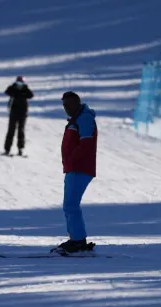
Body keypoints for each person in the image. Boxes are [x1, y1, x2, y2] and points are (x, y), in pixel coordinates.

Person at [52, 91, 98, 255]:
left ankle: (78, 241)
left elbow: (86, 143)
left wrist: (72, 159)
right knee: (70, 205)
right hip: (74, 167)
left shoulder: (84, 118)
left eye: (69, 104)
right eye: (64, 105)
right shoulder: (77, 118)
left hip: (80, 168)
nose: (66, 108)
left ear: (77, 103)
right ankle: (76, 239)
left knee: (71, 205)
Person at [4, 76, 34, 156]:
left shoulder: (25, 89)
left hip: (23, 113)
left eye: (21, 83)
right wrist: (14, 92)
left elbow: (31, 95)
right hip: (13, 112)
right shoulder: (12, 88)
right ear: (16, 82)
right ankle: (7, 149)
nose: (19, 84)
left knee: (21, 131)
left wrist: (23, 92)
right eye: (18, 83)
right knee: (11, 130)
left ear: (23, 83)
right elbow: (7, 91)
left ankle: (20, 149)